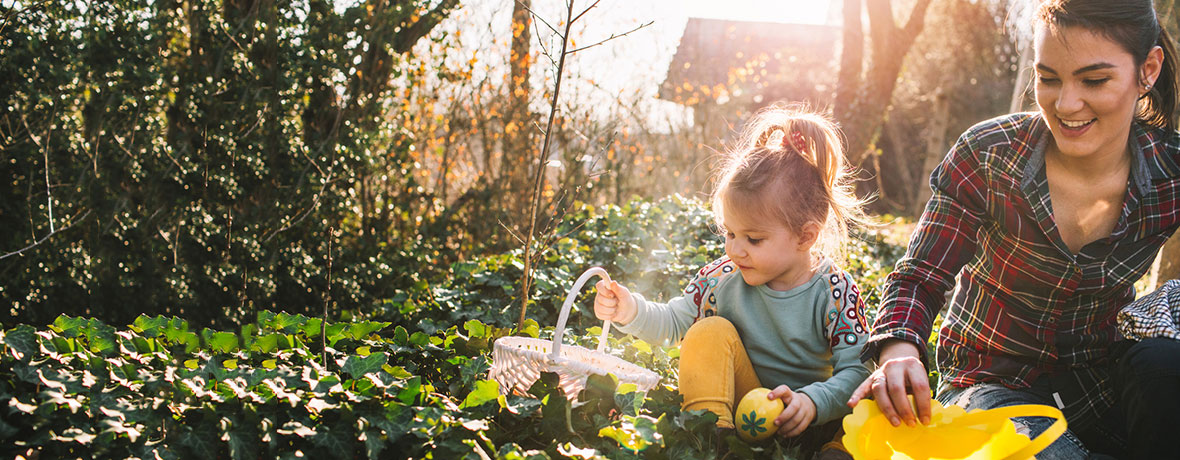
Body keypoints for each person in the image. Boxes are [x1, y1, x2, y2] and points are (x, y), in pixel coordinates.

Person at [848, 0, 1180, 458]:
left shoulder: (1171, 171)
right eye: (1049, 78)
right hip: (990, 383)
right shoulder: (989, 154)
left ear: (1148, 69)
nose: (1065, 104)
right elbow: (920, 277)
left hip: (1100, 382)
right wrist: (899, 348)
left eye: (1094, 80)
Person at [594, 105, 871, 455]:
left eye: (753, 239)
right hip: (746, 414)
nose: (736, 250)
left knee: (882, 389)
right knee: (708, 331)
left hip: (817, 417)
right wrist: (629, 310)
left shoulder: (834, 291)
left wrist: (812, 401)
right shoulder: (721, 279)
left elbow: (857, 371)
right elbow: (675, 322)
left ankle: (837, 451)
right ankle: (712, 433)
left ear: (805, 237)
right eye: (730, 233)